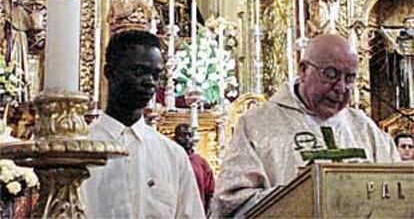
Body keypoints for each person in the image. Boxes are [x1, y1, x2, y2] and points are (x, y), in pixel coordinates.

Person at [213, 34, 401, 217]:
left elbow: (398, 190)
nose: (341, 87)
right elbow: (233, 202)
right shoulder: (258, 125)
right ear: (303, 70)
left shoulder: (364, 128)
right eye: (331, 74)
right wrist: (304, 197)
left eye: (350, 78)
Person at [82, 30, 205, 218]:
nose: (150, 82)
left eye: (156, 75)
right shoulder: (81, 150)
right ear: (110, 72)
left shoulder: (172, 155)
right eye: (139, 72)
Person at [174, 123, 215, 215]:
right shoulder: (169, 160)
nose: (187, 138)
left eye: (190, 135)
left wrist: (206, 213)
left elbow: (210, 192)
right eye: (183, 135)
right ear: (175, 138)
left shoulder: (201, 162)